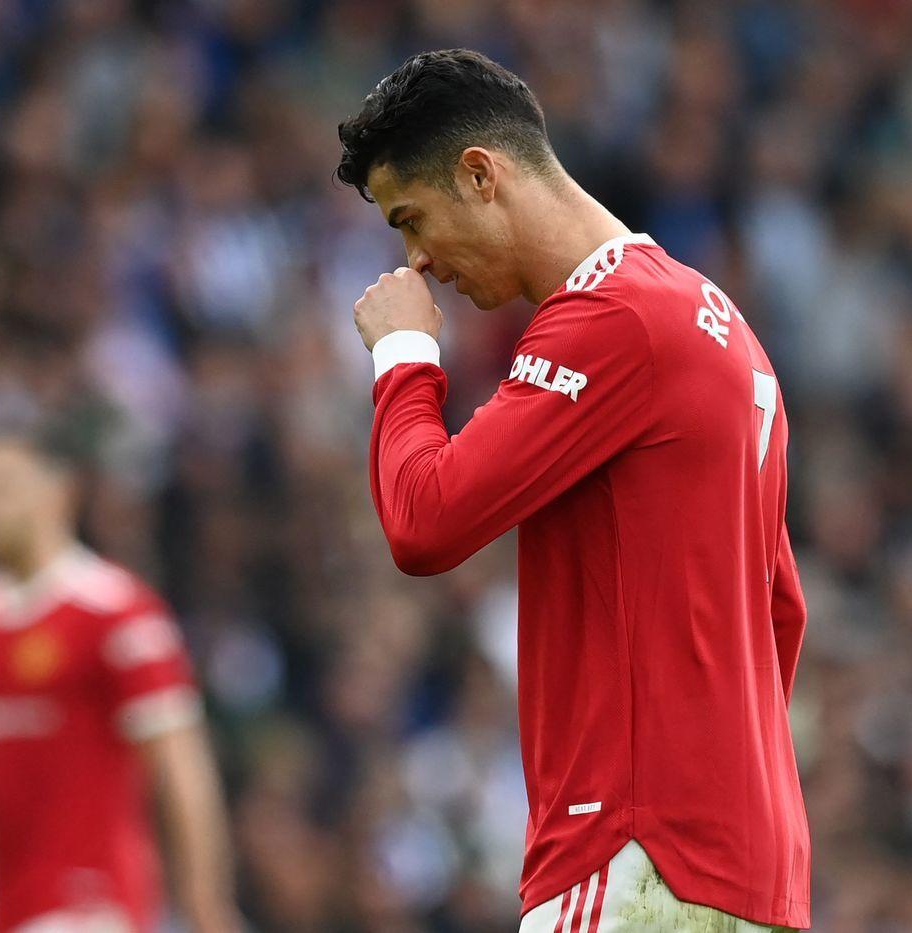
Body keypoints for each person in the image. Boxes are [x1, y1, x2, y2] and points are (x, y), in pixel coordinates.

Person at [338, 49, 811, 933]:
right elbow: (781, 608)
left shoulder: (609, 317)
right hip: (752, 864)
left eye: (412, 220)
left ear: (480, 175)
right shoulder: (718, 323)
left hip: (633, 849)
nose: (419, 262)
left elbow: (424, 520)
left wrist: (402, 356)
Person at [0, 423, 239, 933]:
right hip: (8, 906)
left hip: (92, 902)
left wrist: (206, 900)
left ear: (59, 491)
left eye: (2, 487)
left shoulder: (116, 611)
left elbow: (181, 763)